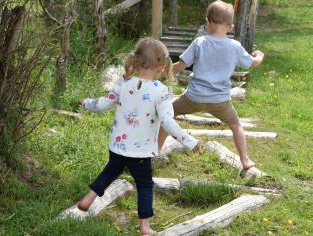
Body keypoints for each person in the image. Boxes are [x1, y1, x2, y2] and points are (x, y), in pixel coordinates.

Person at [76, 38, 200, 236]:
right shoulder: (161, 92)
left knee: (109, 171)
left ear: (136, 61)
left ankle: (88, 199)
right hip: (140, 152)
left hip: (117, 146)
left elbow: (101, 104)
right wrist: (190, 141)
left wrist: (85, 103)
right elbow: (168, 123)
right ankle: (145, 227)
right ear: (161, 66)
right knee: (144, 185)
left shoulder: (123, 84)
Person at [158, 0, 264, 170]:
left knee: (167, 115)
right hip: (220, 101)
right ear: (230, 27)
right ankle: (245, 160)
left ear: (207, 22)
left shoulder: (199, 42)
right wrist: (260, 56)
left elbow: (179, 66)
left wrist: (161, 73)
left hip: (193, 97)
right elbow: (252, 63)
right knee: (236, 125)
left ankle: (155, 151)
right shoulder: (235, 46)